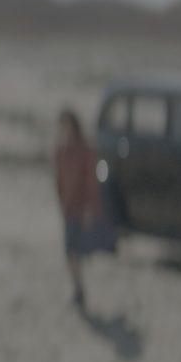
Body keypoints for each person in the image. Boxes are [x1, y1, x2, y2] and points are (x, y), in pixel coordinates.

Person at [51, 108, 108, 307]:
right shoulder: (60, 150)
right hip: (68, 207)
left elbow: (90, 180)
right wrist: (61, 201)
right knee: (70, 250)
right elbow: (58, 180)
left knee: (74, 249)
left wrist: (89, 207)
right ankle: (78, 287)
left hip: (81, 207)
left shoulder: (84, 149)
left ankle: (79, 288)